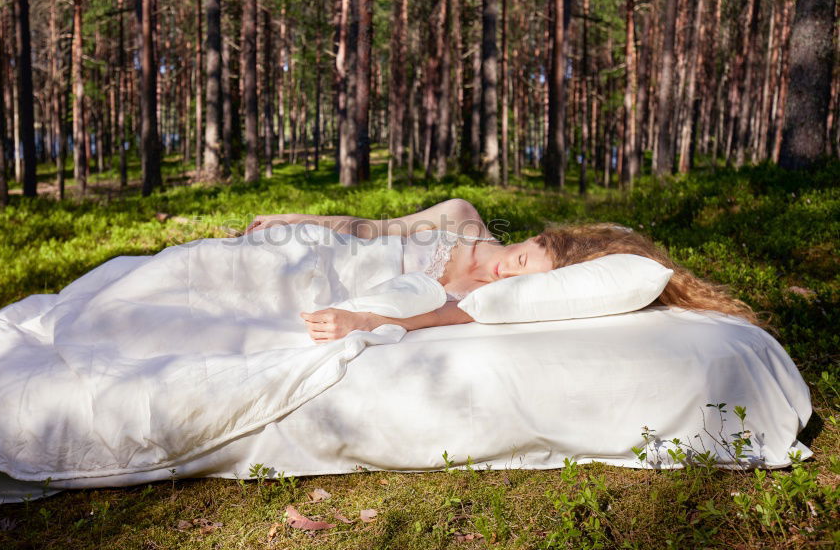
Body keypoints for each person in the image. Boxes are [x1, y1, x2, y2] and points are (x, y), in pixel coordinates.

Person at [244, 198, 763, 342]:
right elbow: (369, 228)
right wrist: (293, 219)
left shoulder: (491, 302)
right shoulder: (462, 218)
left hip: (310, 298)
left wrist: (362, 322)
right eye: (518, 258)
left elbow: (426, 318)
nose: (504, 275)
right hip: (310, 252)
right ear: (533, 238)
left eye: (520, 278)